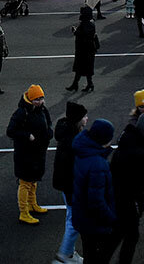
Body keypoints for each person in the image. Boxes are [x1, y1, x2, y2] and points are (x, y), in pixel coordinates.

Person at [111, 113, 144, 264]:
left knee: (119, 233)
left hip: (120, 196)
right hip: (127, 199)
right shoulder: (136, 152)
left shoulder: (128, 141)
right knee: (131, 235)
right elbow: (137, 179)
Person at [72, 119, 117, 264]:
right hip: (95, 222)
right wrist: (111, 217)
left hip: (83, 217)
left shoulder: (83, 151)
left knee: (89, 253)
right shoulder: (98, 163)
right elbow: (96, 201)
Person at [7, 84, 52, 225]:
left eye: (41, 98)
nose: (40, 101)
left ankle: (33, 204)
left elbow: (48, 124)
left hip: (38, 151)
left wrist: (49, 133)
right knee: (25, 182)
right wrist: (27, 136)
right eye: (37, 99)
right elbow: (11, 131)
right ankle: (23, 212)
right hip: (25, 153)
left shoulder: (42, 110)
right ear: (30, 100)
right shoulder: (21, 113)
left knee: (33, 180)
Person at [52, 102, 87, 264]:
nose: (87, 118)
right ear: (78, 119)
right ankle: (64, 255)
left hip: (65, 184)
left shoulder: (66, 133)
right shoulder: (72, 140)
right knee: (74, 221)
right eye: (84, 116)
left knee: (70, 217)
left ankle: (70, 252)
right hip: (70, 185)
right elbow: (73, 166)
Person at [67, 6, 100, 92]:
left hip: (84, 50)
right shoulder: (90, 23)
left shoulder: (85, 24)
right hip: (88, 50)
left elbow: (81, 34)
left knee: (80, 68)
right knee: (86, 68)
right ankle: (87, 84)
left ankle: (77, 84)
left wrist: (75, 31)